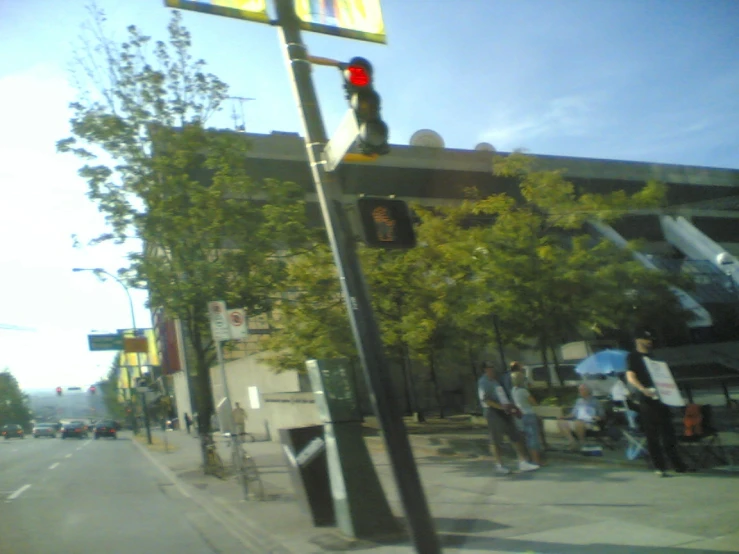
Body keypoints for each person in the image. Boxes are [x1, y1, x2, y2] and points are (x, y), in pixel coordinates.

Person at [625, 329, 687, 477]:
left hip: (663, 398)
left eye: (650, 339)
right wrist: (642, 389)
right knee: (652, 434)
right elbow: (630, 376)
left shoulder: (653, 356)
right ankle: (659, 466)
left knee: (669, 433)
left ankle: (678, 464)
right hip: (647, 399)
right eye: (646, 339)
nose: (649, 342)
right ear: (638, 340)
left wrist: (675, 395)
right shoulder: (633, 357)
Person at [478, 361, 539, 474]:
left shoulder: (496, 380)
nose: (492, 369)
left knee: (515, 435)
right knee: (496, 440)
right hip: (493, 412)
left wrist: (509, 407)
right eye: (490, 368)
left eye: (493, 367)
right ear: (485, 370)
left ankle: (523, 462)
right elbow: (486, 400)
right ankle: (499, 464)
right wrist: (501, 407)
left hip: (505, 410)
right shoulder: (483, 382)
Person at [557, 384, 605, 451]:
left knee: (578, 422)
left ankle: (582, 442)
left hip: (589, 422)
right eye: (579, 390)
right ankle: (572, 442)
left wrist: (597, 417)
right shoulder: (578, 401)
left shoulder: (595, 402)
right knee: (561, 422)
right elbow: (573, 414)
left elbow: (602, 415)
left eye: (582, 390)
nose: (580, 391)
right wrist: (564, 417)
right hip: (577, 420)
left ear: (588, 391)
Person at [510, 371, 544, 466]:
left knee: (525, 437)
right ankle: (536, 460)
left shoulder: (513, 390)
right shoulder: (523, 391)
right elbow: (533, 402)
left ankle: (527, 458)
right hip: (528, 414)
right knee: (533, 438)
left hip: (519, 415)